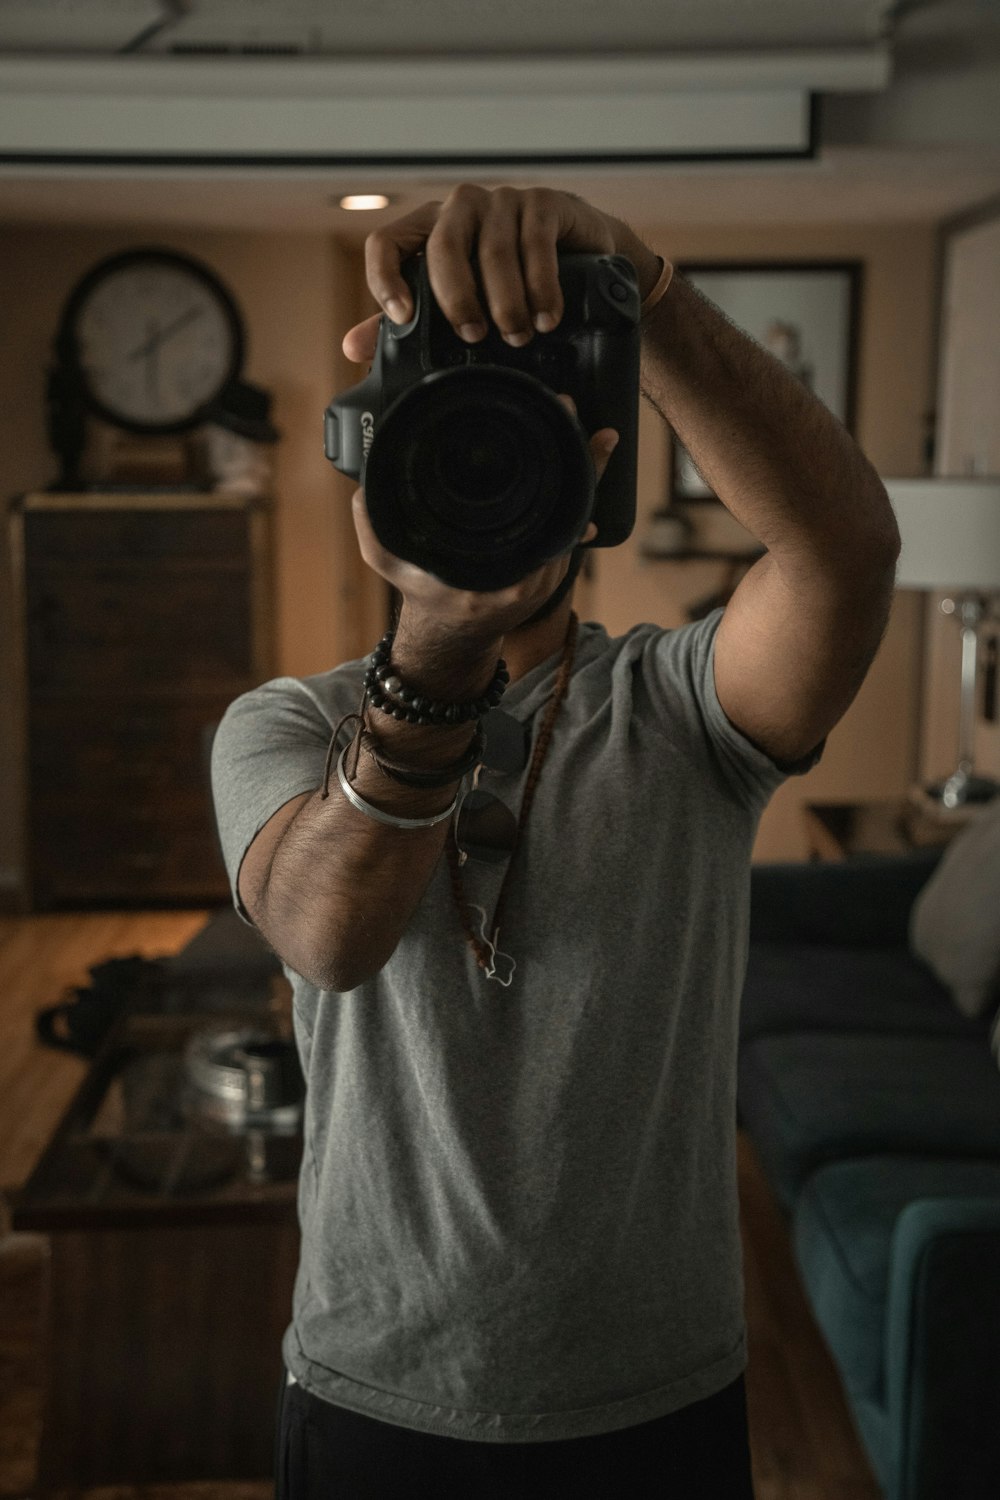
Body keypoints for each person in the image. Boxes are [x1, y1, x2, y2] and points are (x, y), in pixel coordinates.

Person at [211, 183, 900, 1499]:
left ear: (596, 466)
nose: (485, 474)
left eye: (514, 443)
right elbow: (329, 934)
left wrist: (645, 292)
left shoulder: (684, 709)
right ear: (368, 465)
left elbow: (846, 553)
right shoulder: (283, 723)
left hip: (653, 1392)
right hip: (377, 1383)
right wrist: (438, 648)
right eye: (447, 444)